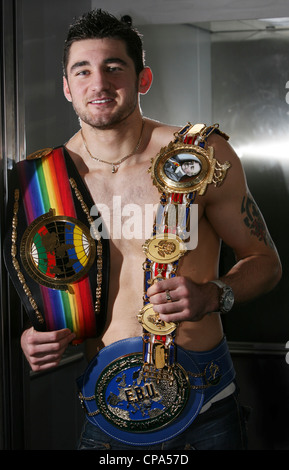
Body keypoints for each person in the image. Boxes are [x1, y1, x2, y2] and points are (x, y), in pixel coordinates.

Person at [19, 9, 281, 450]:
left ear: (143, 79)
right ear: (67, 87)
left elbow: (266, 263)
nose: (98, 83)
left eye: (113, 67)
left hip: (206, 406)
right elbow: (54, 289)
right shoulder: (44, 180)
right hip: (107, 413)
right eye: (82, 71)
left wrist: (214, 293)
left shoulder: (200, 155)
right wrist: (39, 335)